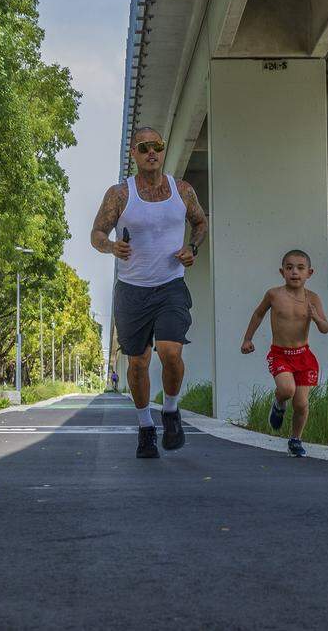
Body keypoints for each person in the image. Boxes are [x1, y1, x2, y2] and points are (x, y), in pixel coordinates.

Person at [91, 126, 207, 459]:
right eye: (144, 148)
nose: (151, 152)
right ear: (134, 154)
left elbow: (200, 223)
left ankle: (170, 411)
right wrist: (112, 246)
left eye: (156, 146)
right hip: (132, 291)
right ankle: (145, 427)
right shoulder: (119, 194)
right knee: (138, 364)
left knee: (171, 353)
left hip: (171, 285)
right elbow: (96, 233)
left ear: (163, 149)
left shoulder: (181, 191)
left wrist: (192, 248)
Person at [241, 250, 328, 457]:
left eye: (300, 268)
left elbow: (325, 328)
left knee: (301, 403)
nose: (295, 272)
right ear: (282, 272)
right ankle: (279, 403)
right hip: (280, 354)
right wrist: (247, 339)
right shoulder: (274, 295)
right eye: (289, 268)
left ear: (310, 273)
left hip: (304, 356)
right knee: (287, 390)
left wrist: (316, 317)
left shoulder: (313, 299)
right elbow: (258, 313)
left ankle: (295, 439)